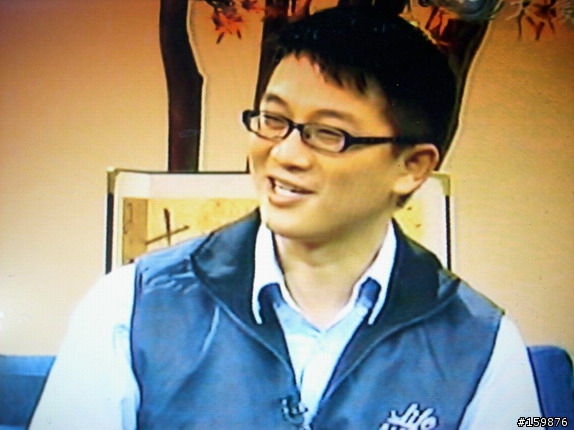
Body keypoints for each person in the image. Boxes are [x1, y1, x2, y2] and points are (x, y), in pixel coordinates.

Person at [31, 6, 541, 429]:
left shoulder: (483, 343)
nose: (285, 154)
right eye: (274, 120)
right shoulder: (130, 307)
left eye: (328, 133)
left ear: (412, 167)